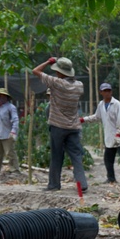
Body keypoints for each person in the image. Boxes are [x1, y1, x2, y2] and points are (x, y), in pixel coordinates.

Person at [33, 57, 88, 192]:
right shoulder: (79, 86)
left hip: (58, 126)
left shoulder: (56, 83)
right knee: (76, 156)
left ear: (61, 73)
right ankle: (82, 184)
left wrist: (48, 62)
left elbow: (35, 71)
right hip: (73, 127)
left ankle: (54, 185)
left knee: (57, 156)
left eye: (57, 71)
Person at [81, 83, 120, 183]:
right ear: (101, 92)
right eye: (105, 91)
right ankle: (111, 178)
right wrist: (84, 119)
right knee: (108, 160)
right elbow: (97, 117)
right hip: (109, 137)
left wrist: (118, 133)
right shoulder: (101, 105)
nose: (107, 93)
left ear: (111, 92)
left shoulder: (117, 104)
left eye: (108, 91)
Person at [0, 88, 19, 173]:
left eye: (4, 96)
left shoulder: (11, 107)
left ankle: (14, 170)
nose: (1, 98)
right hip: (0, 134)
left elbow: (15, 120)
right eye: (0, 96)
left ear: (7, 98)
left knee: (10, 153)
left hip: (8, 134)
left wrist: (13, 132)